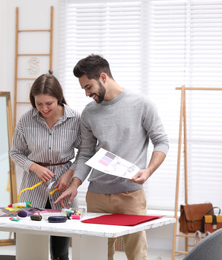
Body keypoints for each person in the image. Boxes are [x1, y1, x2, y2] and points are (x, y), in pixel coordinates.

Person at [54, 54, 169, 260]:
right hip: (97, 195)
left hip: (131, 195)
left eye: (88, 87)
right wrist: (74, 185)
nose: (87, 93)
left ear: (103, 77)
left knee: (136, 255)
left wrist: (148, 171)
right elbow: (86, 152)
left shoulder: (141, 104)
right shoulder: (89, 113)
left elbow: (161, 142)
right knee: (97, 254)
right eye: (84, 89)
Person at [10, 73, 81, 260]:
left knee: (61, 251)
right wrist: (34, 167)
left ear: (58, 97)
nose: (44, 108)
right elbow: (15, 152)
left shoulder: (75, 119)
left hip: (63, 189)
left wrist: (70, 174)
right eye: (38, 104)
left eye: (48, 103)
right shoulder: (26, 120)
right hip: (32, 189)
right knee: (30, 249)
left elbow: (85, 153)